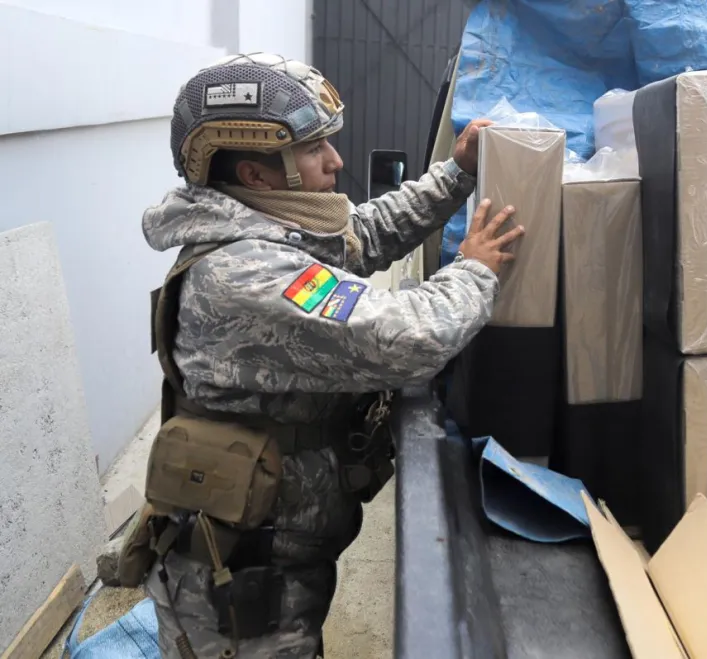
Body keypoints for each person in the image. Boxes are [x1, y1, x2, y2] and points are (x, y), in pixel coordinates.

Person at [140, 52, 522, 658]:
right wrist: (475, 270)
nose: (336, 161)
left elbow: (359, 237)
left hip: (275, 553)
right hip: (241, 589)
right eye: (315, 149)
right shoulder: (247, 274)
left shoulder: (260, 232)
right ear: (257, 174)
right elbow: (412, 336)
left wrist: (455, 174)